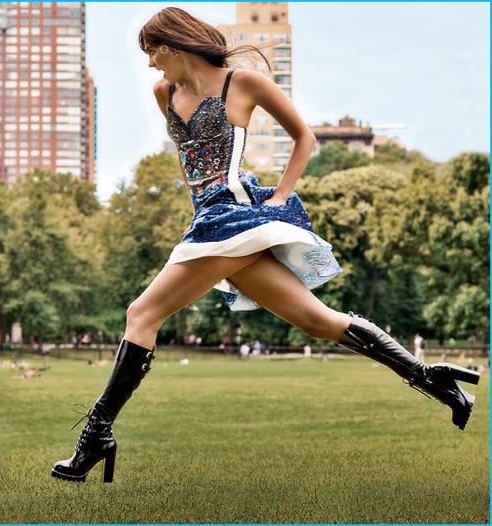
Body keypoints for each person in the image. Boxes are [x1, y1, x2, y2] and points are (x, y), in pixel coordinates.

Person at [50, 7, 480, 483]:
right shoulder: (164, 93)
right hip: (209, 223)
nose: (151, 65)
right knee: (318, 321)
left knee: (141, 314)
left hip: (238, 218)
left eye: (152, 54)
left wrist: (279, 195)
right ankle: (433, 379)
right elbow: (186, 160)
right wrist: (198, 214)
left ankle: (97, 436)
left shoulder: (243, 83)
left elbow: (304, 136)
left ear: (171, 45)